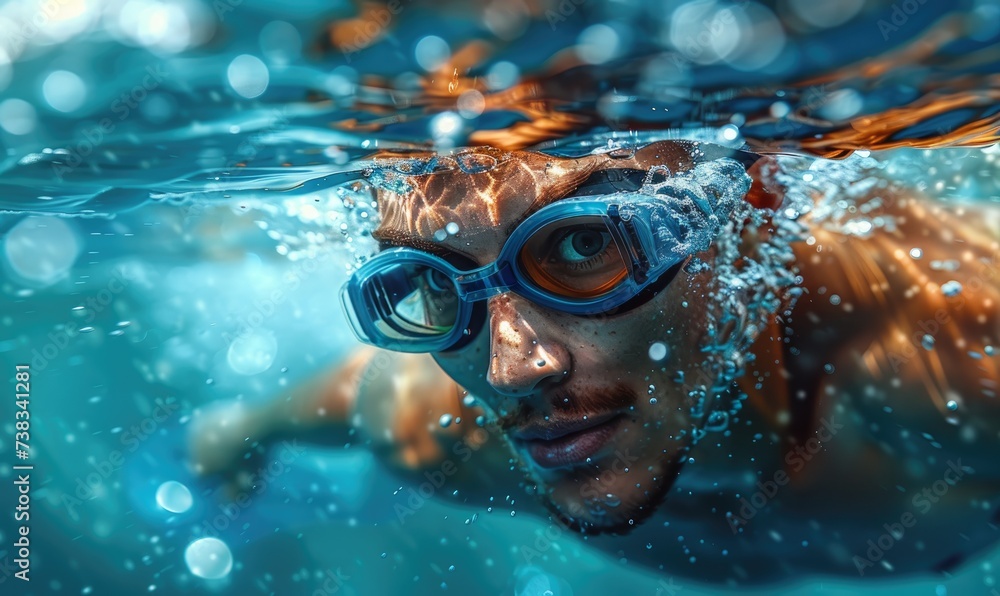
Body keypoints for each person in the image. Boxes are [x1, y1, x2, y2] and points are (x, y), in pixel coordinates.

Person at [189, 140, 1000, 584]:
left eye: (582, 247)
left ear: (752, 204)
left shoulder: (951, 359)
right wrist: (239, 432)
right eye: (429, 286)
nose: (510, 370)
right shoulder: (438, 432)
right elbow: (336, 399)